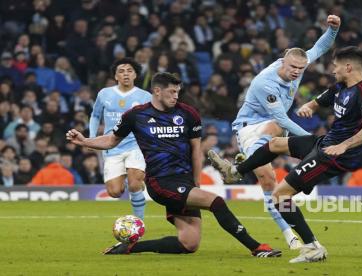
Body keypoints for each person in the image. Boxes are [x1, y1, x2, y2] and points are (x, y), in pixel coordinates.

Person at [66, 72, 280, 257]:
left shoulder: (188, 113)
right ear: (157, 91)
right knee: (217, 202)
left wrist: (196, 183)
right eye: (171, 92)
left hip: (185, 181)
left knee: (189, 244)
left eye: (178, 92)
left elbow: (196, 150)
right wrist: (85, 141)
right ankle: (257, 247)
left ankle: (130, 248)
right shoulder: (136, 115)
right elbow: (111, 140)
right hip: (161, 182)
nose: (176, 96)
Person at [209, 46, 362, 263]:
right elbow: (318, 101)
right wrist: (309, 106)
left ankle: (312, 247)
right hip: (325, 143)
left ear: (348, 67)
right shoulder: (340, 87)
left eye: (335, 66)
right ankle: (236, 171)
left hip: (336, 154)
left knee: (280, 196)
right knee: (275, 144)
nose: (332, 70)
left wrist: (344, 146)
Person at [228, 15, 340, 250]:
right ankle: (289, 234)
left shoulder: (300, 63)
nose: (297, 72)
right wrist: (312, 141)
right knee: (269, 171)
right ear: (283, 62)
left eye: (301, 68)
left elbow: (320, 46)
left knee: (277, 186)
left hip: (273, 131)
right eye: (293, 68)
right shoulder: (264, 83)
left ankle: (247, 164)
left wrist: (333, 29)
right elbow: (280, 118)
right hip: (250, 128)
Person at [89, 58, 152, 220]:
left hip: (136, 145)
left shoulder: (145, 96)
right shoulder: (104, 94)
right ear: (115, 76)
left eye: (129, 71)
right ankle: (134, 181)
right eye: (121, 71)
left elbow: (154, 120)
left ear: (136, 75)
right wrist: (91, 137)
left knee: (134, 185)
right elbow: (95, 115)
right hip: (112, 147)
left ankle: (139, 223)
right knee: (114, 192)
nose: (125, 74)